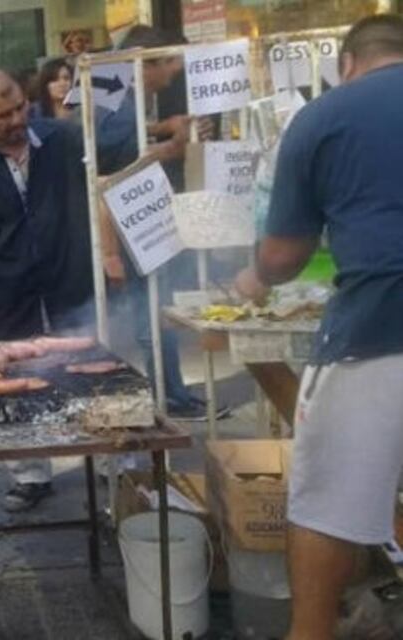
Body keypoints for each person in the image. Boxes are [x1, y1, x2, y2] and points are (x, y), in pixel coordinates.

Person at [233, 16, 403, 640]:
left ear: (348, 63)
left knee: (325, 506)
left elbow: (282, 257)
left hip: (378, 331)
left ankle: (309, 633)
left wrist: (252, 279)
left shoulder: (325, 116)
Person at [0, 71, 97, 513]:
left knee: (92, 371)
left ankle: (114, 464)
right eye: (3, 115)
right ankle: (30, 477)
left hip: (70, 280)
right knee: (14, 385)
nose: (16, 119)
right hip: (9, 295)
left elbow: (112, 164)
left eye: (19, 108)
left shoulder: (64, 142)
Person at [96, 26, 225, 422]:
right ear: (146, 61)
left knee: (154, 305)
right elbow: (109, 163)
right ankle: (169, 398)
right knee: (150, 309)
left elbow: (116, 141)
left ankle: (173, 394)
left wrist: (163, 128)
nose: (174, 76)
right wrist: (169, 147)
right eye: (172, 65)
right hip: (129, 220)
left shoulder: (115, 92)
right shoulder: (114, 96)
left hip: (139, 217)